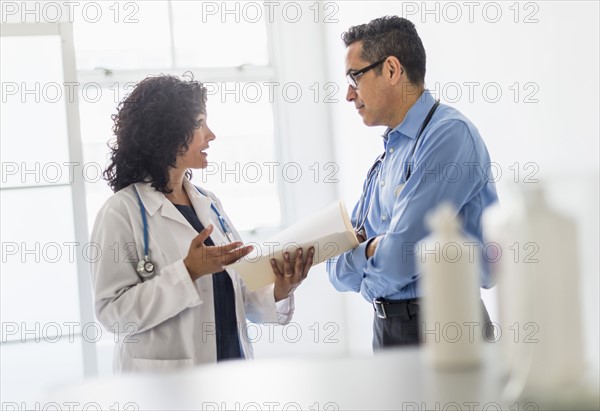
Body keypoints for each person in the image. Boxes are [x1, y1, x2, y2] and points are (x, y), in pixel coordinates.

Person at [91, 74, 314, 373]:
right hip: (166, 386)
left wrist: (280, 289)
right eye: (199, 124)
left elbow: (239, 296)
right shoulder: (121, 212)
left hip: (230, 373)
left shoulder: (209, 203)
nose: (211, 135)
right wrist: (187, 272)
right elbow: (113, 314)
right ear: (167, 132)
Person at [327, 16, 498, 349]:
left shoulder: (448, 135)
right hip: (388, 329)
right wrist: (373, 250)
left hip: (447, 327)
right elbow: (334, 265)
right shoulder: (388, 155)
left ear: (391, 70)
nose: (349, 94)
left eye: (354, 77)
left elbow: (399, 258)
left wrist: (365, 260)